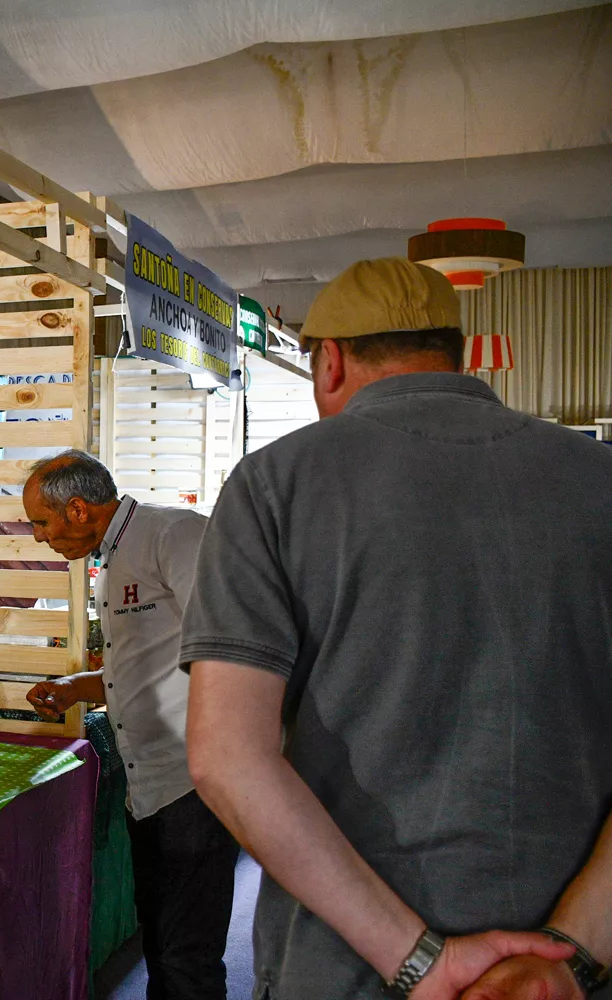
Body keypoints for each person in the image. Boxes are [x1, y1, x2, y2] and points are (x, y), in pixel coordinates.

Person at [180, 258, 611, 999]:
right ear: (461, 353)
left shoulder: (274, 484)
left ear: (332, 362)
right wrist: (569, 957)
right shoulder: (599, 480)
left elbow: (227, 759)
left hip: (342, 970)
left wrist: (421, 961)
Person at [22, 449, 237, 1000]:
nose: (40, 537)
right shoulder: (112, 557)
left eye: (41, 522)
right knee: (162, 942)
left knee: (186, 955)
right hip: (148, 786)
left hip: (193, 780)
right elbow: (143, 665)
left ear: (76, 508)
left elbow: (229, 646)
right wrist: (78, 688)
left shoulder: (175, 535)